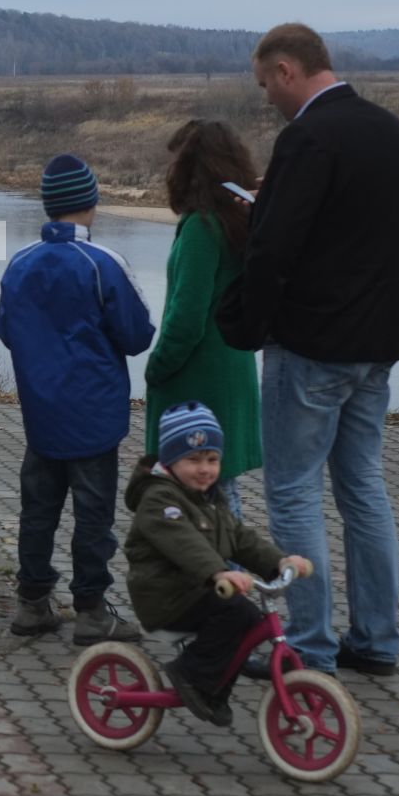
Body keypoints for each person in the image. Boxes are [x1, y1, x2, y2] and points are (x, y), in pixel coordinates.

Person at [218, 22, 399, 676]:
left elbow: (277, 246)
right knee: (363, 488)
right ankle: (377, 640)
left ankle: (307, 647)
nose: (266, 100)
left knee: (294, 494)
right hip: (379, 341)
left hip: (311, 345)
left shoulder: (307, 137)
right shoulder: (388, 129)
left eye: (264, 86)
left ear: (285, 69)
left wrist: (248, 320)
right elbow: (360, 230)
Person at [0, 154, 155, 643]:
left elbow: (6, 330)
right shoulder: (104, 263)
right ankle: (91, 609)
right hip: (94, 414)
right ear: (91, 201)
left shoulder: (20, 263)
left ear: (47, 205)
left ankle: (32, 603)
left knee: (37, 509)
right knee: (94, 514)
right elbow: (137, 333)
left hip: (41, 413)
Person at [124, 402, 315, 725]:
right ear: (170, 461)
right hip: (165, 596)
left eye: (212, 460)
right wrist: (218, 572)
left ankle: (210, 687)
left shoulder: (209, 497)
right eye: (193, 459)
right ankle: (191, 675)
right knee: (236, 613)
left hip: (195, 591)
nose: (205, 469)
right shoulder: (159, 500)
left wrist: (279, 561)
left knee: (248, 619)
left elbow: (240, 538)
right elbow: (185, 543)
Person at [143, 120, 263, 517]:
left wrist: (157, 366)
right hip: (233, 370)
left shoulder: (202, 228)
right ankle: (231, 572)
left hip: (199, 382)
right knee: (222, 495)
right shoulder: (241, 222)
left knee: (206, 504)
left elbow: (187, 316)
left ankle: (227, 576)